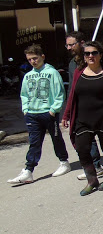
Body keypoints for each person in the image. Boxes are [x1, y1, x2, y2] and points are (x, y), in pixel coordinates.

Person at [62, 41, 103, 195]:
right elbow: (72, 95)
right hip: (83, 118)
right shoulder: (78, 72)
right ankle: (92, 180)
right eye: (87, 53)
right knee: (82, 148)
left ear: (101, 55)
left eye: (94, 53)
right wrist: (66, 114)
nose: (90, 56)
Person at [8, 44, 70, 184]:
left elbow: (60, 92)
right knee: (34, 142)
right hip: (32, 113)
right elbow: (24, 94)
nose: (32, 62)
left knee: (56, 138)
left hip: (48, 113)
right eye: (29, 59)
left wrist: (54, 109)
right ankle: (28, 170)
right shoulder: (28, 75)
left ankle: (63, 162)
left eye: (35, 58)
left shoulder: (52, 72)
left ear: (42, 57)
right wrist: (25, 109)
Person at [65, 31, 103, 180]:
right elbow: (72, 88)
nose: (69, 47)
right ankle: (95, 166)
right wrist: (67, 111)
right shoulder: (72, 64)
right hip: (80, 108)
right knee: (85, 140)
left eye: (72, 44)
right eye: (67, 45)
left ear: (81, 43)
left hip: (99, 107)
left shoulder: (95, 61)